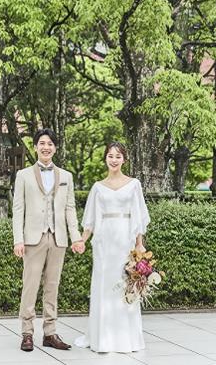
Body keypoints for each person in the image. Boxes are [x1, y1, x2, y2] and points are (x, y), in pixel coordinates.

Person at [12, 128, 85, 353]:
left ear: (55, 148)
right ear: (35, 147)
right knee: (30, 286)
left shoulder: (66, 176)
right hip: (33, 238)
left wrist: (76, 238)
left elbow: (70, 208)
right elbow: (18, 209)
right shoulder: (23, 175)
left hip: (58, 238)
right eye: (42, 143)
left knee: (52, 287)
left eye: (50, 143)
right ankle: (27, 333)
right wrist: (18, 240)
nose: (46, 147)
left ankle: (50, 333)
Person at [74, 142, 150, 353]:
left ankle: (126, 338)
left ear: (124, 159)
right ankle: (103, 338)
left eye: (118, 156)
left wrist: (139, 244)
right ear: (106, 158)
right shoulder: (98, 187)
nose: (114, 160)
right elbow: (89, 219)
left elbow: (138, 216)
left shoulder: (134, 184)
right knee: (104, 286)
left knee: (125, 284)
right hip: (104, 242)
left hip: (125, 240)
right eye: (110, 156)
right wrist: (82, 239)